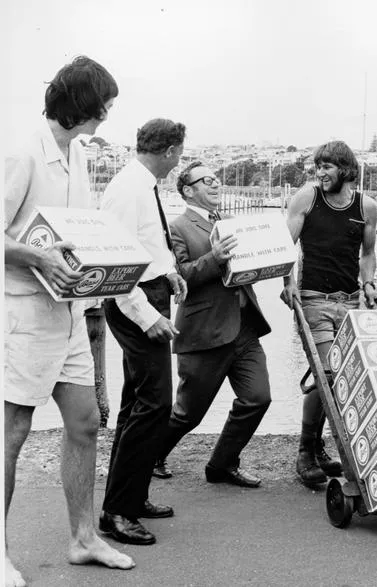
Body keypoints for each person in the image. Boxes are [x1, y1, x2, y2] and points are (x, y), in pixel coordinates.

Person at [4, 56, 134, 586]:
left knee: (84, 422)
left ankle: (83, 539)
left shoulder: (77, 153)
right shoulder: (21, 152)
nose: (107, 114)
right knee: (12, 431)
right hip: (24, 313)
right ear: (81, 104)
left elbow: (71, 229)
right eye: (104, 104)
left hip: (70, 310)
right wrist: (39, 258)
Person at [154, 161, 272, 488]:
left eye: (217, 178)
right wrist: (215, 257)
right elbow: (180, 276)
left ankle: (222, 465)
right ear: (188, 190)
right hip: (205, 331)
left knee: (257, 398)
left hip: (245, 327)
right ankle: (151, 454)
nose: (216, 183)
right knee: (187, 414)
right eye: (207, 180)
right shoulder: (177, 228)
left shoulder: (231, 223)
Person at [99, 119, 188, 546]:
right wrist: (146, 315)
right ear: (169, 150)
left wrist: (169, 274)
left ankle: (131, 496)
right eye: (180, 152)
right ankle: (117, 511)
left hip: (151, 289)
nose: (179, 161)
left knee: (136, 401)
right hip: (132, 301)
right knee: (155, 403)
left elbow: (149, 243)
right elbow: (115, 263)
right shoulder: (127, 188)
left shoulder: (144, 184)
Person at [280, 140, 377, 486]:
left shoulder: (366, 206)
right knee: (328, 375)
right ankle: (306, 452)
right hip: (313, 299)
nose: (320, 173)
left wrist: (369, 285)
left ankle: (318, 447)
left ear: (346, 170)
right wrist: (288, 283)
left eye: (327, 167)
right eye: (317, 167)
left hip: (350, 302)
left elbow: (367, 254)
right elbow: (284, 245)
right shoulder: (307, 197)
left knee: (340, 377)